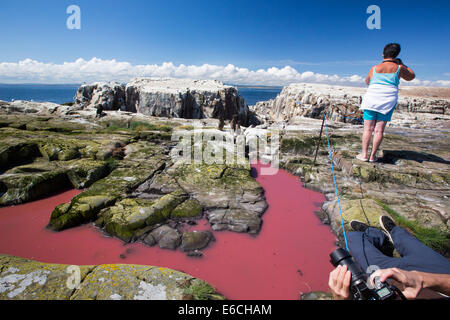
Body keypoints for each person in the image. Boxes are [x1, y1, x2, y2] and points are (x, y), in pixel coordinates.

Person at [328, 215, 450, 300]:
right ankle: (394, 231)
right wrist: (421, 279)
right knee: (411, 242)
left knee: (353, 239)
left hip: (387, 280)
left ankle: (375, 234)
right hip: (440, 274)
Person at [357, 43, 415, 162]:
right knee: (379, 130)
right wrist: (401, 64)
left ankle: (363, 155)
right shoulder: (400, 68)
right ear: (396, 55)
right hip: (387, 101)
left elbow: (367, 81)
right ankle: (373, 156)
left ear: (383, 54)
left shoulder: (374, 68)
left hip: (371, 99)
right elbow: (411, 76)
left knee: (368, 129)